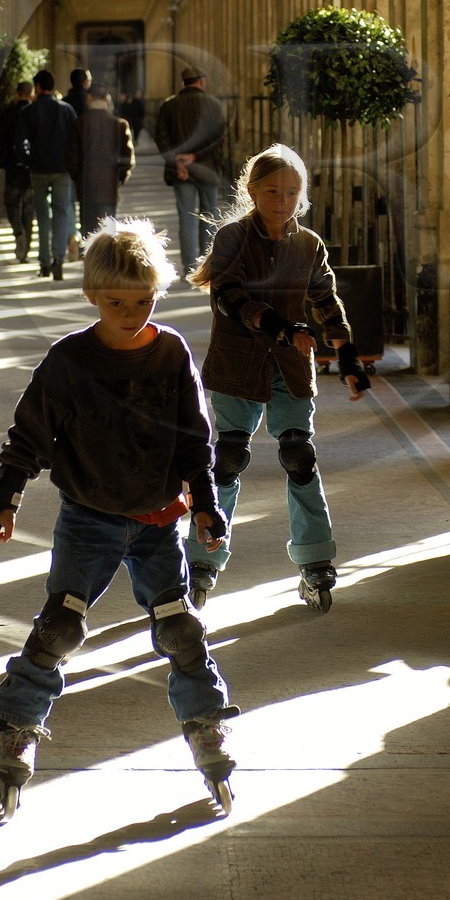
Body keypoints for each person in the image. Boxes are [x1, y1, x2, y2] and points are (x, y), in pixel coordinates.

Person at [0, 218, 237, 814]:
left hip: (155, 520)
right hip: (88, 518)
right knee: (60, 627)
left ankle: (206, 721)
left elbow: (195, 438)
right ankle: (17, 727)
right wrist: (5, 499)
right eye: (117, 301)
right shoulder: (68, 361)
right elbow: (28, 437)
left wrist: (206, 503)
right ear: (93, 296)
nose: (132, 312)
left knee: (180, 627)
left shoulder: (170, 353)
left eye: (144, 300)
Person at [186, 143, 370, 613]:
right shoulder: (232, 238)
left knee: (298, 455)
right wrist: (283, 328)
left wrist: (346, 354)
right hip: (236, 364)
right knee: (227, 460)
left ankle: (315, 561)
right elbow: (230, 296)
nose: (282, 201)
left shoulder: (309, 244)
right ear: (252, 190)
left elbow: (326, 300)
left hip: (288, 368)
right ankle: (201, 560)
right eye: (272, 191)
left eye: (292, 192)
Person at [154, 65, 226, 277]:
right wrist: (195, 157)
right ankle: (207, 265)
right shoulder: (214, 105)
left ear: (183, 83)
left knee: (186, 218)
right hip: (207, 169)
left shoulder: (169, 106)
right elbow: (218, 139)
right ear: (201, 82)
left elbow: (162, 138)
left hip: (181, 172)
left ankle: (189, 266)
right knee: (209, 215)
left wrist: (178, 162)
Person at [14, 68, 76, 281]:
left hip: (39, 169)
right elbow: (75, 140)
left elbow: (20, 143)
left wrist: (29, 160)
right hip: (62, 170)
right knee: (61, 212)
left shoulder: (28, 112)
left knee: (42, 216)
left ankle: (44, 262)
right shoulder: (67, 110)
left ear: (38, 87)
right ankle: (58, 259)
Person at [66, 81, 135, 239]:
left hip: (86, 188)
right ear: (107, 100)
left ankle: (89, 263)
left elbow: (71, 159)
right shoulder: (120, 125)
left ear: (89, 99)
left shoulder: (78, 124)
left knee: (88, 234)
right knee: (108, 236)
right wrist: (118, 179)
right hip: (109, 188)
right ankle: (106, 264)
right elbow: (128, 159)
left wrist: (78, 178)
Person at [0, 79, 35, 262]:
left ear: (17, 94)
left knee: (11, 203)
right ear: (31, 94)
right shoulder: (35, 113)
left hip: (12, 166)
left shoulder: (8, 113)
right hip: (31, 168)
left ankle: (18, 232)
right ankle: (26, 248)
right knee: (29, 209)